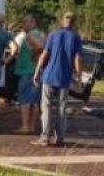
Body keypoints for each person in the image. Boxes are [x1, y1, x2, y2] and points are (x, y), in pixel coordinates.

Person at [31, 12, 83, 147]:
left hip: (49, 75)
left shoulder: (53, 35)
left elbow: (45, 54)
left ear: (62, 21)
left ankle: (45, 137)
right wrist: (79, 78)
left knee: (46, 106)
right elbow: (77, 58)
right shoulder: (76, 38)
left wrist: (37, 72)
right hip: (64, 78)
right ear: (74, 23)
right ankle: (60, 138)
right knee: (62, 108)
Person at [13, 14, 44, 133]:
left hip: (27, 71)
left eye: (27, 22)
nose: (24, 24)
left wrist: (32, 56)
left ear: (33, 23)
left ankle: (25, 126)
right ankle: (31, 126)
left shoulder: (30, 35)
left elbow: (40, 47)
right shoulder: (40, 34)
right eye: (24, 22)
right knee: (34, 101)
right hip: (36, 70)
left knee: (25, 100)